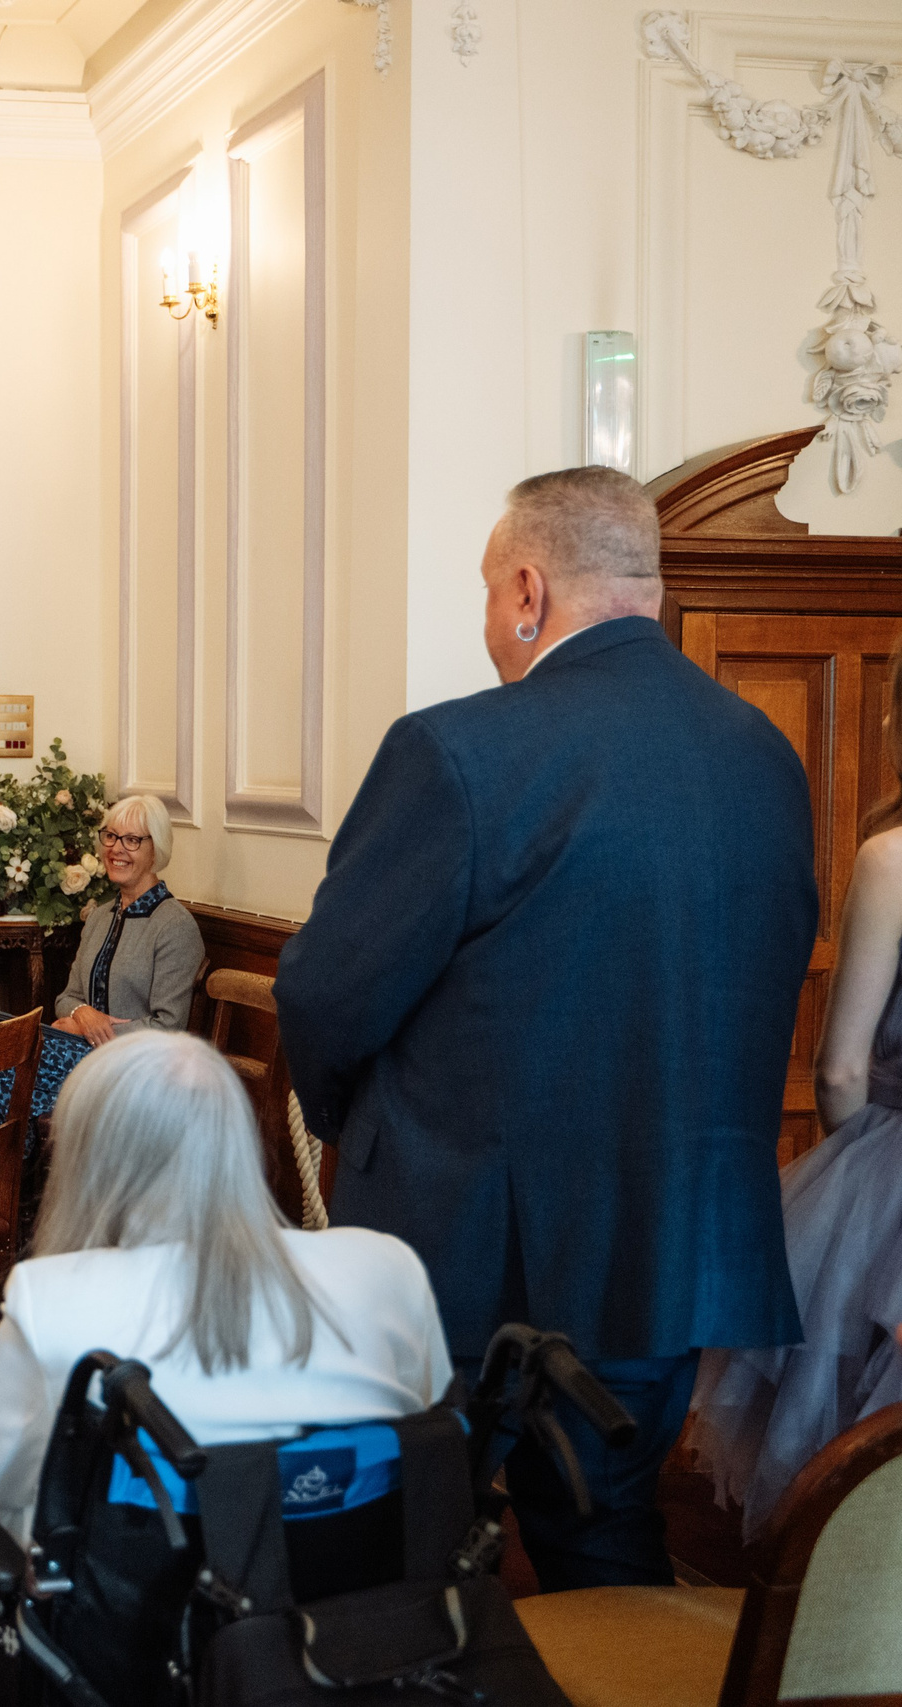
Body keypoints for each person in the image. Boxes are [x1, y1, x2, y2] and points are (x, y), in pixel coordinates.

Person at [275, 465, 817, 1590]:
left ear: (528, 589)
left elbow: (327, 994)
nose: (487, 624)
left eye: (486, 594)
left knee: (411, 1549)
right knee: (605, 1535)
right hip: (667, 1248)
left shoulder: (457, 752)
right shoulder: (763, 757)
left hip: (467, 1249)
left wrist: (350, 1128)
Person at [0, 1032, 453, 1553]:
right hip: (346, 1605)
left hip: (142, 1619)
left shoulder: (54, 1300)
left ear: (86, 1164)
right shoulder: (388, 1268)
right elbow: (433, 1447)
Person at [686, 644, 902, 1540]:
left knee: (858, 1459)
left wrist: (856, 1182)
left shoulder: (893, 858)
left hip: (891, 1165)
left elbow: (842, 1066)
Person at [0, 793, 203, 1163]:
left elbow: (169, 1027)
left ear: (156, 851)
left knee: (5, 1071)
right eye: (110, 836)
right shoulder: (99, 917)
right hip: (80, 1053)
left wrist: (89, 1030)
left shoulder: (175, 926)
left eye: (132, 840)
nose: (116, 849)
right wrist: (82, 1015)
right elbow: (67, 997)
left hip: (132, 1071)